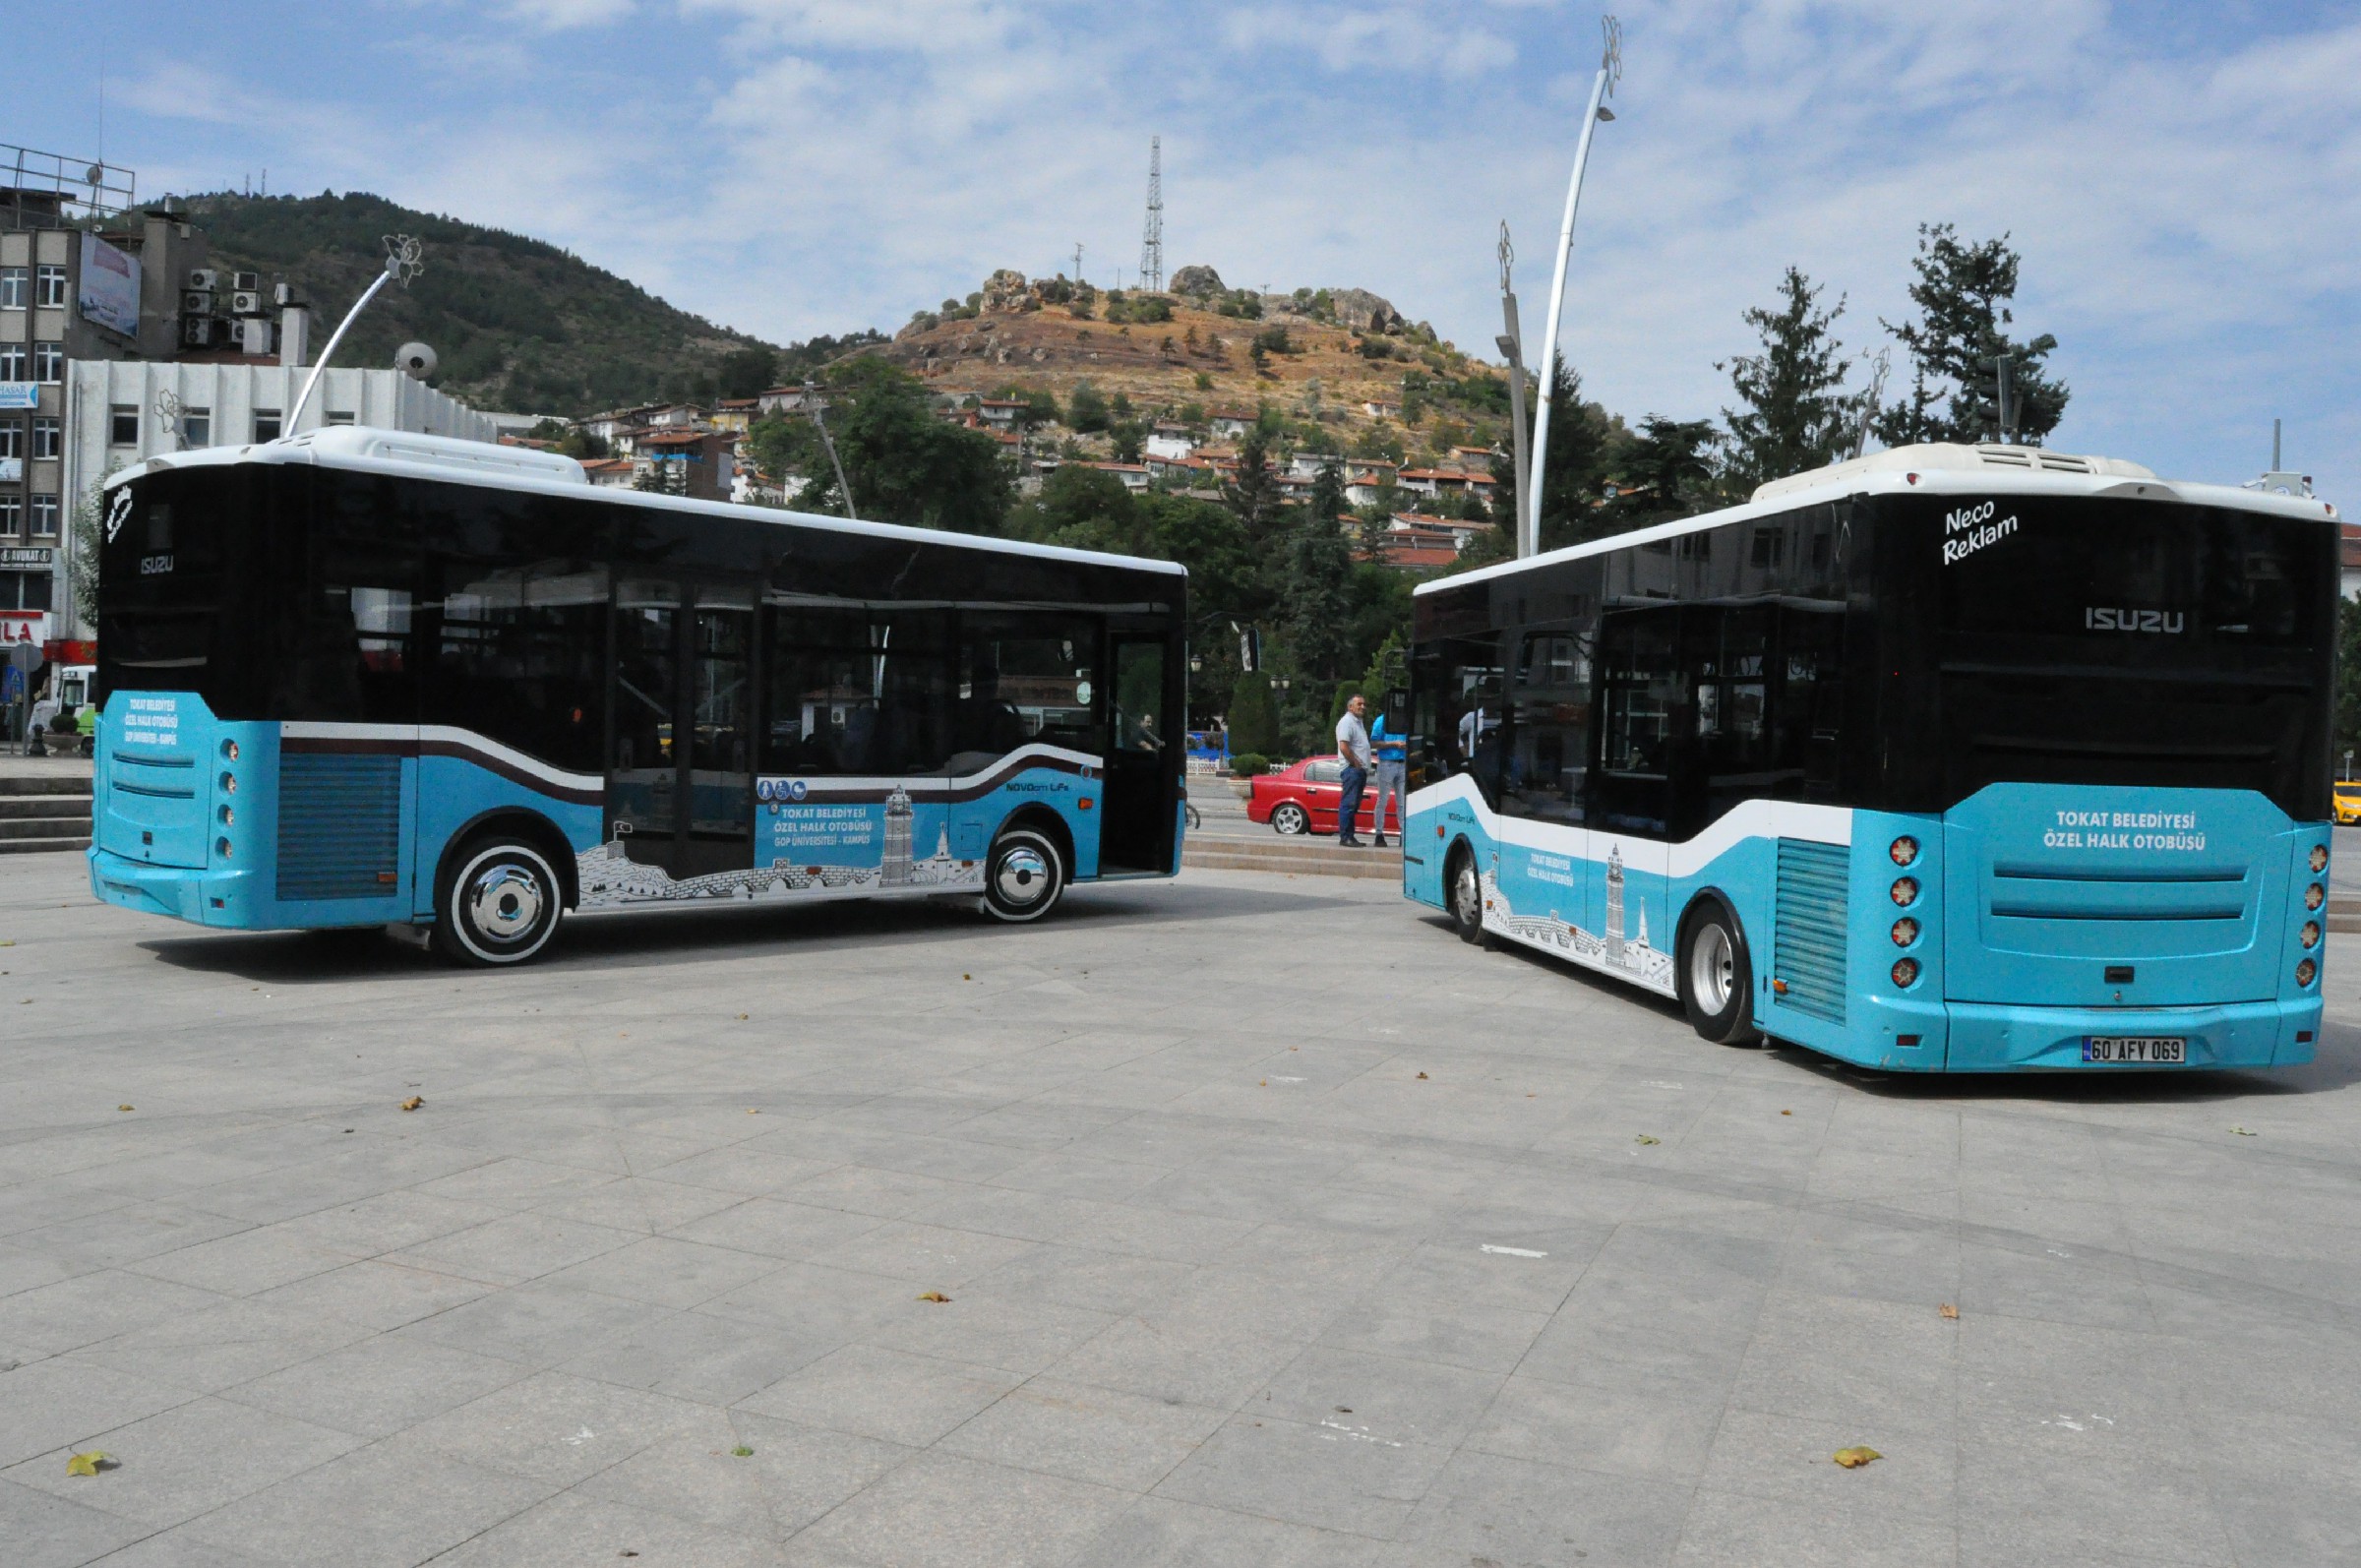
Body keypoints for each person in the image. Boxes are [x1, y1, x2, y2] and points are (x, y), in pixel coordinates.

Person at [1334, 693, 1373, 847]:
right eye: (1359, 704)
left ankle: (1350, 835)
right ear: (1350, 707)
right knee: (1349, 804)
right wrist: (1355, 762)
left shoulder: (1358, 723)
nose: (1363, 707)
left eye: (1364, 704)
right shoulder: (1346, 722)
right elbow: (1343, 746)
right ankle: (1345, 837)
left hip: (1359, 771)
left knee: (1354, 804)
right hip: (1352, 770)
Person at [1368, 702, 1406, 848]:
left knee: (1402, 802)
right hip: (1387, 762)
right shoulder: (1381, 720)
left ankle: (1403, 833)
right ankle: (1379, 833)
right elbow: (1374, 742)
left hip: (1403, 762)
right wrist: (1393, 744)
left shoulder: (1405, 721)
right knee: (1382, 800)